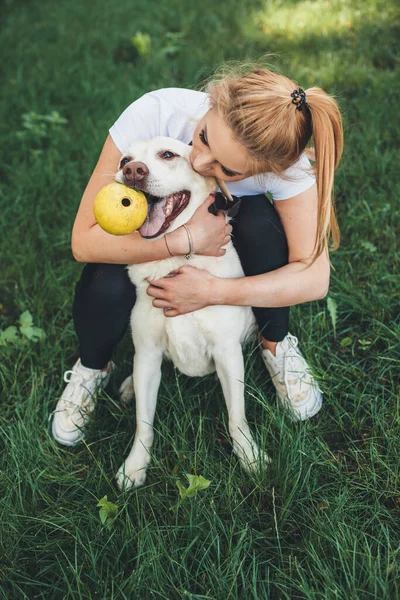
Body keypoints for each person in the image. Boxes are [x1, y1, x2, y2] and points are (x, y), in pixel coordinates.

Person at [50, 65, 343, 447]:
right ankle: (93, 366)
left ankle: (274, 344)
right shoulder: (154, 112)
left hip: (225, 245)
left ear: (269, 169)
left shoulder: (286, 166)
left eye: (228, 168)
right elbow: (82, 241)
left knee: (260, 225)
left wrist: (215, 292)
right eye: (203, 138)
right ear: (212, 100)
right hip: (154, 225)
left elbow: (315, 278)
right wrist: (183, 241)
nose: (200, 163)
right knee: (103, 279)